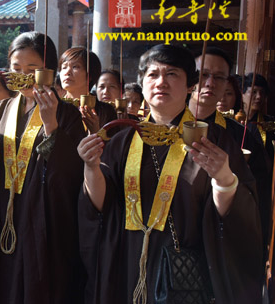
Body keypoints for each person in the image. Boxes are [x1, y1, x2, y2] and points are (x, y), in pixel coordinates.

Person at [78, 44, 263, 304]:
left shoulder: (214, 140)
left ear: (190, 85)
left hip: (182, 270)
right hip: (127, 261)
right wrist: (90, 166)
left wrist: (224, 178)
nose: (161, 82)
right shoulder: (122, 141)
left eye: (172, 74)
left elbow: (238, 220)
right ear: (142, 83)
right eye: (152, 75)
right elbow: (99, 208)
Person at [0, 31, 86, 303]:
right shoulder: (1, 109)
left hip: (41, 220)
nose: (23, 76)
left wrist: (51, 125)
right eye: (16, 69)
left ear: (49, 72)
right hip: (0, 212)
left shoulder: (67, 114)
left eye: (33, 69)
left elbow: (72, 177)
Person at [188, 46, 271, 257]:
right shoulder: (164, 129)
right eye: (203, 75)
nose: (210, 83)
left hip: (220, 243)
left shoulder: (239, 135)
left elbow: (258, 196)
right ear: (189, 78)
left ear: (227, 83)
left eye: (219, 77)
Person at [59, 47, 117, 133]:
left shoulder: (105, 111)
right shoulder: (54, 106)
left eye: (75, 67)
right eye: (64, 67)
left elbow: (113, 144)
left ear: (90, 76)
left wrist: (96, 132)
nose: (67, 72)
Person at [242, 73, 275, 161]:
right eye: (254, 92)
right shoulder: (233, 120)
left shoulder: (269, 123)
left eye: (262, 93)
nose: (259, 97)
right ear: (242, 94)